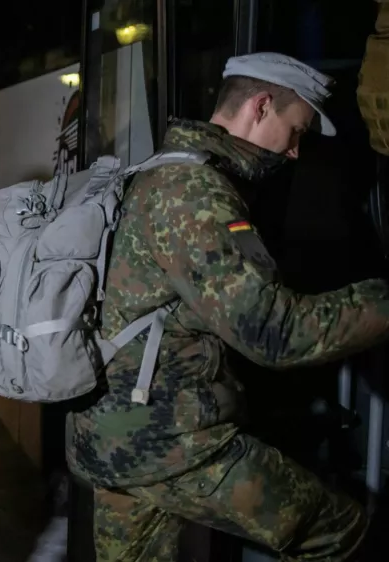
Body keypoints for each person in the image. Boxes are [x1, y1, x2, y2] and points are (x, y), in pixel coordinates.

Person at [67, 52, 389, 561]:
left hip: (112, 437)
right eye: (296, 130)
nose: (294, 152)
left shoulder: (161, 170)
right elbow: (273, 333)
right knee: (343, 533)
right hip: (171, 445)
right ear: (261, 106)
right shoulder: (195, 193)